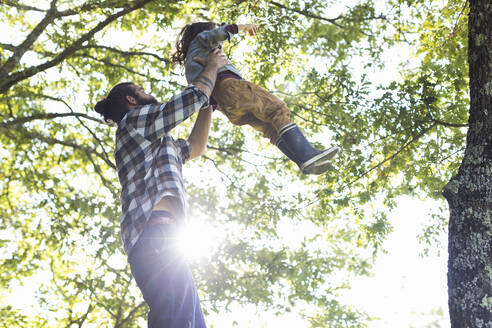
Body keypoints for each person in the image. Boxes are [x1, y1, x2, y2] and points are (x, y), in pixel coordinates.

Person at [94, 49, 228, 328]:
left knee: (191, 322)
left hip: (165, 237)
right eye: (141, 90)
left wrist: (207, 107)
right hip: (154, 233)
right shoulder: (134, 121)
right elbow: (184, 102)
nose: (147, 92)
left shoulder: (156, 141)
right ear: (132, 100)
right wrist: (212, 67)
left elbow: (194, 148)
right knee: (175, 318)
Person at [172, 22, 339, 175]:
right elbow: (217, 34)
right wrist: (243, 27)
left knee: (270, 128)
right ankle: (306, 153)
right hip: (232, 87)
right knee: (276, 110)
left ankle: (303, 161)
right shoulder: (201, 40)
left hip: (227, 108)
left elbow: (204, 94)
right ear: (204, 31)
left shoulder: (191, 66)